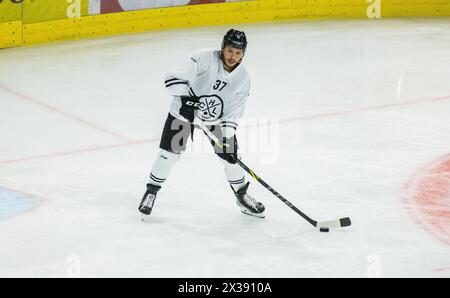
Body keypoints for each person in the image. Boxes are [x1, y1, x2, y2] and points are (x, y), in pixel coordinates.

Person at [138, 29, 265, 219]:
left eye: (238, 53)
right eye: (230, 50)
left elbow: (233, 113)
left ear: (243, 54)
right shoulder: (203, 58)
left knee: (232, 159)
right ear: (222, 48)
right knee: (169, 155)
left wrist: (227, 139)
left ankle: (242, 196)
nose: (233, 56)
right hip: (183, 112)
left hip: (215, 120)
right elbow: (172, 77)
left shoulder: (242, 79)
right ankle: (151, 191)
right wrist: (186, 98)